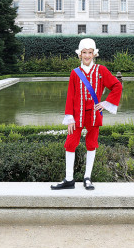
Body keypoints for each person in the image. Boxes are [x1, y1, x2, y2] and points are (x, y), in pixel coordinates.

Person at [51, 38, 123, 191]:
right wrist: (69, 118)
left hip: (95, 115)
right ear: (80, 54)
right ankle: (69, 179)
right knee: (70, 144)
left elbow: (117, 85)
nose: (87, 56)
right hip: (77, 116)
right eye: (84, 52)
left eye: (90, 53)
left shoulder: (101, 70)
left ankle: (87, 178)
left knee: (92, 144)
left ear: (94, 54)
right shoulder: (75, 73)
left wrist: (106, 103)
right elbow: (70, 96)